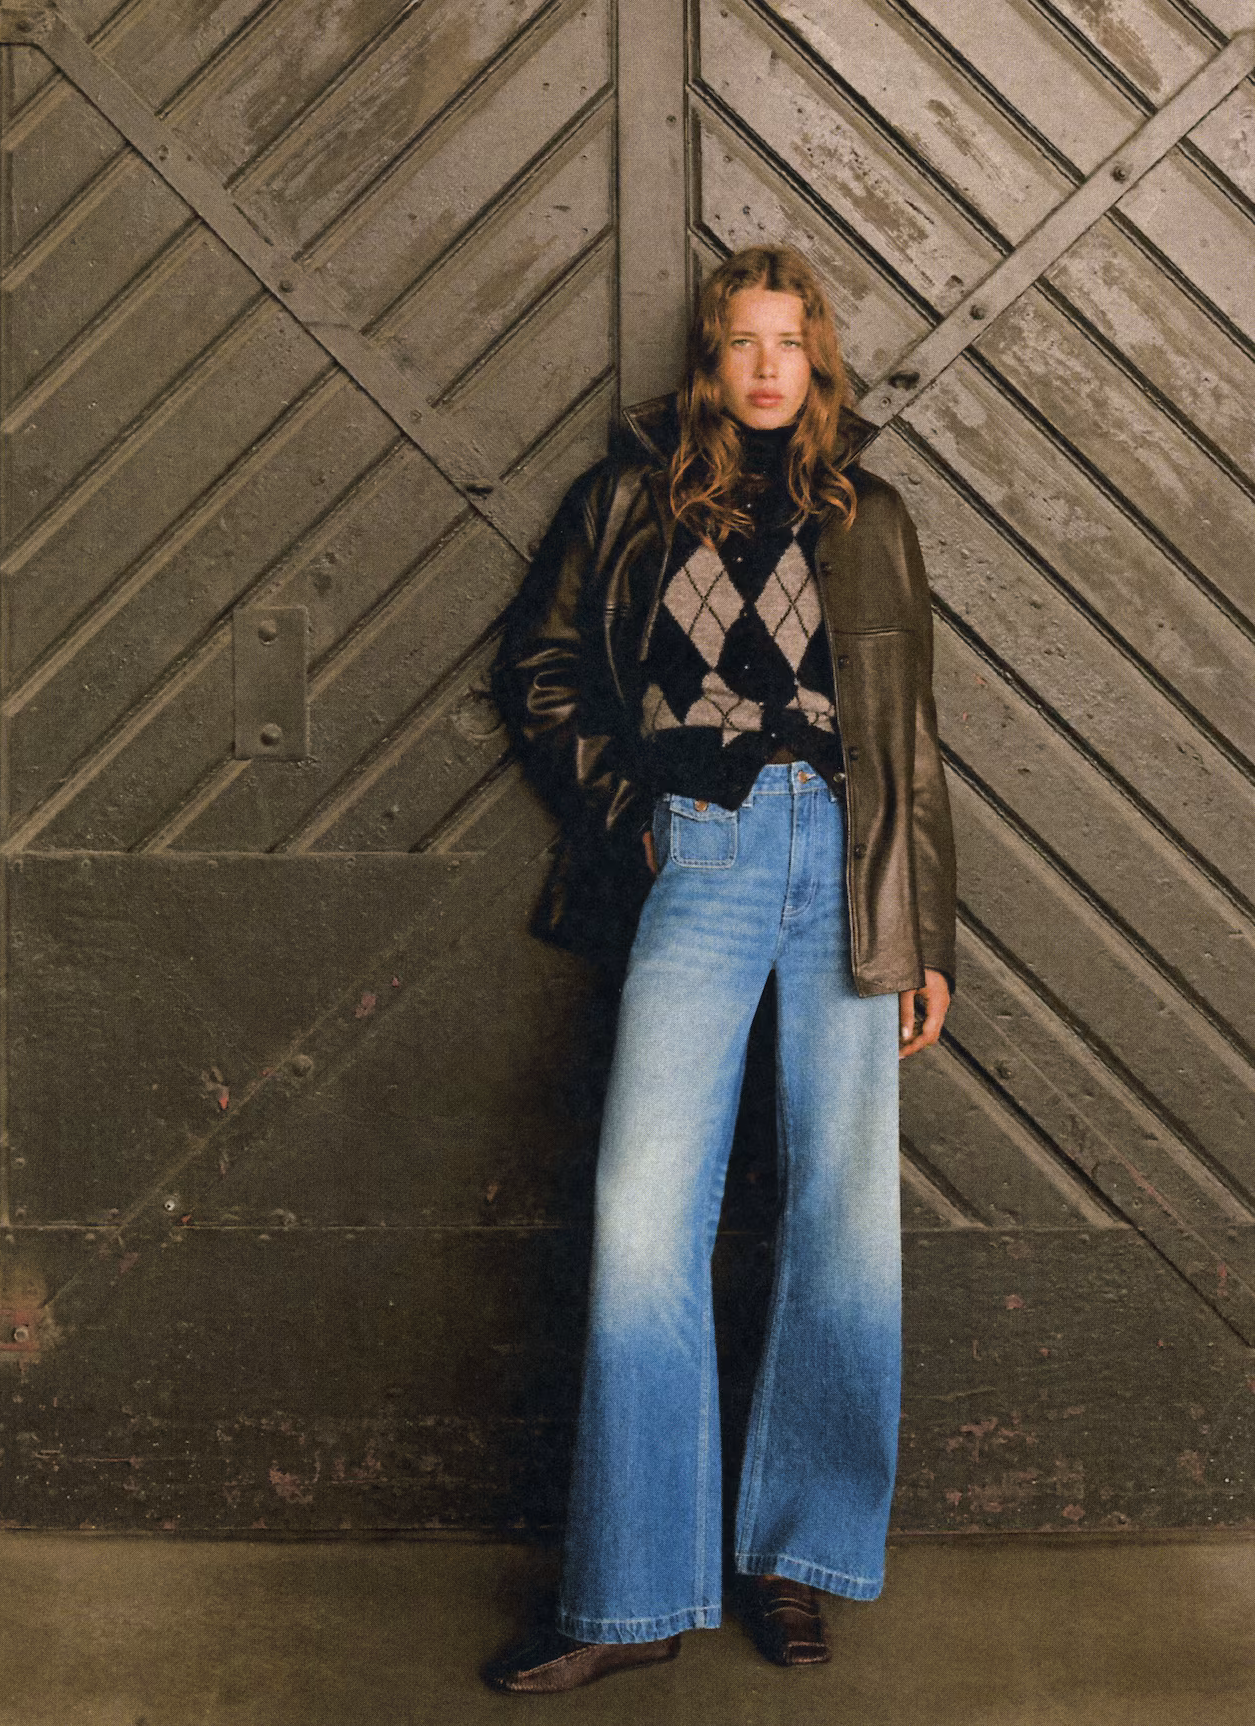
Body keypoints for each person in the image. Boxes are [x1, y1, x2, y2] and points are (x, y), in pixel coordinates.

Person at [486, 245, 956, 1692]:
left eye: (788, 342)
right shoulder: (627, 500)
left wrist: (923, 930)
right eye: (742, 341)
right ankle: (634, 1594)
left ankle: (796, 1559)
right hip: (699, 853)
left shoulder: (871, 516)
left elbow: (909, 739)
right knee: (644, 1217)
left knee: (842, 1222)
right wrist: (632, 811)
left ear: (818, 362)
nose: (765, 367)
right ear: (710, 359)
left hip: (846, 867)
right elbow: (541, 668)